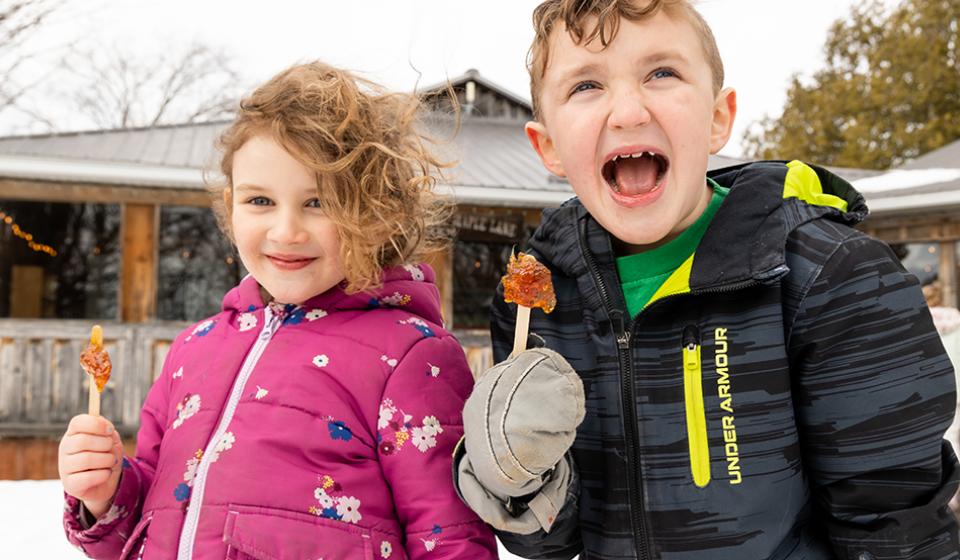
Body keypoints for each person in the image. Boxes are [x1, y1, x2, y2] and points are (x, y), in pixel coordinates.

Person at [454, 1, 960, 559]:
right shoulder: (541, 305)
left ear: (719, 117)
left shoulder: (832, 279)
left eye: (661, 73)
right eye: (586, 86)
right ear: (546, 146)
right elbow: (553, 543)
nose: (627, 111)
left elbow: (896, 531)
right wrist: (519, 478)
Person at [58, 61, 497, 559]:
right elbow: (147, 527)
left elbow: (450, 541)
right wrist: (106, 493)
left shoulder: (410, 357)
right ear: (231, 205)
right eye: (260, 200)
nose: (286, 231)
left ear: (374, 213)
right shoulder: (192, 351)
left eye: (318, 203)